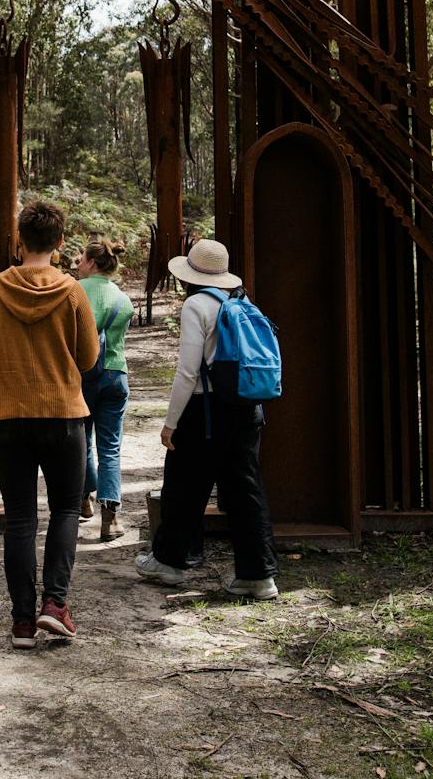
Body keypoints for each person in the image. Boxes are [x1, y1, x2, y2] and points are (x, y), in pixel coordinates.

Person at [0, 200, 100, 648]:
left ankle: (22, 622)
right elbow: (89, 358)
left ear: (19, 240)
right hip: (63, 415)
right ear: (60, 242)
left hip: (6, 416)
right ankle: (55, 606)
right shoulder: (72, 291)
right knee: (65, 510)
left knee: (20, 517)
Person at [135, 238, 279, 600]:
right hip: (246, 408)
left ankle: (170, 562)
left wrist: (170, 422)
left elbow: (188, 371)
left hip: (206, 410)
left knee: (183, 484)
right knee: (245, 489)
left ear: (191, 276)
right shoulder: (241, 300)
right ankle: (259, 577)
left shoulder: (196, 305)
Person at [75, 237, 134, 541]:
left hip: (82, 376)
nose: (78, 263)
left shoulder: (74, 291)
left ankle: (84, 498)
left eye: (81, 258)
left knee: (81, 440)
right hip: (115, 375)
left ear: (92, 262)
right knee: (110, 448)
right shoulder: (123, 299)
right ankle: (110, 519)